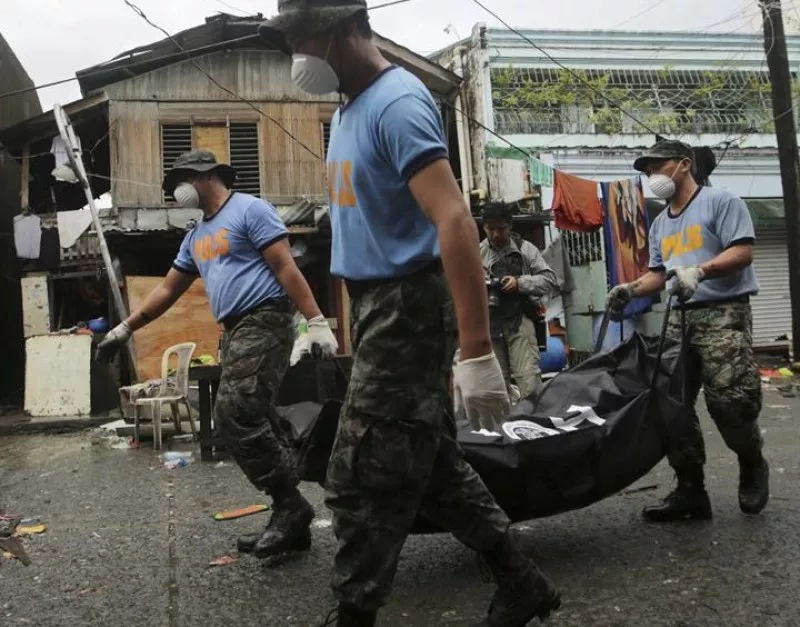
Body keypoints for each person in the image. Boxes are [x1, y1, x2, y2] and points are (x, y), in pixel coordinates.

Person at [258, 3, 561, 626]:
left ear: (345, 27)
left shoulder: (397, 102)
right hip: (377, 305)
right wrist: (331, 321)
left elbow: (453, 218)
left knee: (360, 472)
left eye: (302, 36)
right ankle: (520, 580)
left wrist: (477, 351)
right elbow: (359, 227)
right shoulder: (347, 109)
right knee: (428, 463)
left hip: (408, 306)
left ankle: (353, 613)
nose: (295, 54)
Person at [96, 150, 339, 557]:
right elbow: (168, 289)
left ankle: (291, 506)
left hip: (265, 318)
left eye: (181, 179)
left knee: (233, 413)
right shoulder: (196, 236)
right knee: (256, 416)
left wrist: (315, 320)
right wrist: (125, 328)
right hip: (234, 329)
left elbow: (285, 267)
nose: (176, 190)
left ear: (206, 175)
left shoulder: (250, 210)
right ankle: (292, 521)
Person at [607, 139, 769, 522]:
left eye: (656, 167)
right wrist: (629, 290)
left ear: (683, 164)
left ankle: (751, 461)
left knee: (730, 402)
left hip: (722, 313)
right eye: (645, 171)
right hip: (679, 318)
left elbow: (743, 251)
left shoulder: (722, 202)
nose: (651, 176)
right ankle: (691, 492)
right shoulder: (661, 222)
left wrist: (701, 270)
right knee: (671, 405)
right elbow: (658, 274)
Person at [480, 203, 558, 399]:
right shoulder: (478, 252)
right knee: (496, 387)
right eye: (491, 229)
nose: (496, 234)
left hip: (520, 320)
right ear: (484, 228)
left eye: (501, 228)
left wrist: (519, 283)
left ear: (510, 226)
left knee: (529, 383)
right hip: (490, 324)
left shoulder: (526, 249)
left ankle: (535, 425)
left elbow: (549, 279)